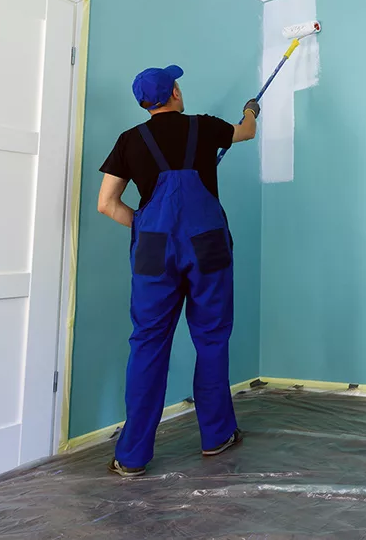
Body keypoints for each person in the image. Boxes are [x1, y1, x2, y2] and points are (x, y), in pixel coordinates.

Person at [97, 64, 259, 477]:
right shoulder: (204, 127)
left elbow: (107, 204)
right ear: (174, 94)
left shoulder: (129, 141)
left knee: (148, 342)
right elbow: (245, 133)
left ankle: (131, 456)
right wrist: (251, 112)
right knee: (211, 338)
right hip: (206, 243)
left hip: (153, 247)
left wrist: (150, 225)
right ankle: (216, 436)